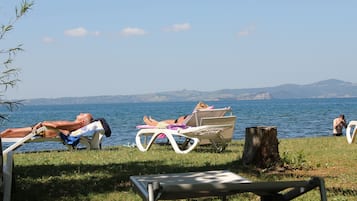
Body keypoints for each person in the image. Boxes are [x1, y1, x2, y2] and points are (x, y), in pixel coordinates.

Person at [0, 113, 93, 138]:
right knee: (9, 133)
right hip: (41, 131)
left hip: (39, 130)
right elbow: (63, 129)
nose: (80, 113)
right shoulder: (75, 125)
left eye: (83, 114)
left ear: (83, 121)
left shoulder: (75, 124)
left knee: (9, 131)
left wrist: (42, 123)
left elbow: (56, 126)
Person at [143, 101, 210, 126]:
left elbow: (194, 113)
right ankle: (155, 122)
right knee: (166, 121)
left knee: (163, 124)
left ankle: (151, 123)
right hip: (179, 121)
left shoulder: (197, 115)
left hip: (179, 124)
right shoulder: (200, 116)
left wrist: (198, 107)